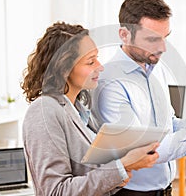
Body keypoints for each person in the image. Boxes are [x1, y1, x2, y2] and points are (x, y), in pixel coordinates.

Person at [91, 0, 186, 195]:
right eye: (152, 39)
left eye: (165, 37)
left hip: (165, 190)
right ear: (124, 35)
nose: (163, 48)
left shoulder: (155, 68)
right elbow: (143, 151)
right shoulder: (109, 83)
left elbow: (169, 126)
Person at [20, 22, 160, 196]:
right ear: (64, 68)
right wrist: (122, 166)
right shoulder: (43, 111)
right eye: (90, 61)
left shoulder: (80, 110)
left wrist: (121, 173)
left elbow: (91, 176)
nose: (100, 67)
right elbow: (55, 191)